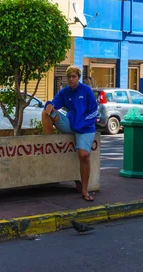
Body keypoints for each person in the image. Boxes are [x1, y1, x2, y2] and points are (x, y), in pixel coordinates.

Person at [42, 65, 98, 202]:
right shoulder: (65, 92)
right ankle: (47, 142)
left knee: (84, 155)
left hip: (85, 127)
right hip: (70, 123)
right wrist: (48, 105)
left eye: (74, 77)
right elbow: (53, 104)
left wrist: (82, 123)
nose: (71, 79)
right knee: (46, 112)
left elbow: (95, 112)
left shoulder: (86, 91)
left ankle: (84, 189)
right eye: (69, 77)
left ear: (78, 77)